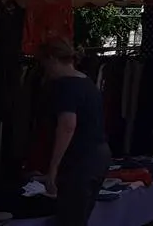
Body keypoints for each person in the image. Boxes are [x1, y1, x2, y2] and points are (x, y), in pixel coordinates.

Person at [37, 38, 111, 226]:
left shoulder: (65, 86)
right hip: (99, 156)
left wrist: (53, 167)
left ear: (52, 59)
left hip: (80, 161)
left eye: (44, 64)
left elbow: (67, 126)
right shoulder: (86, 82)